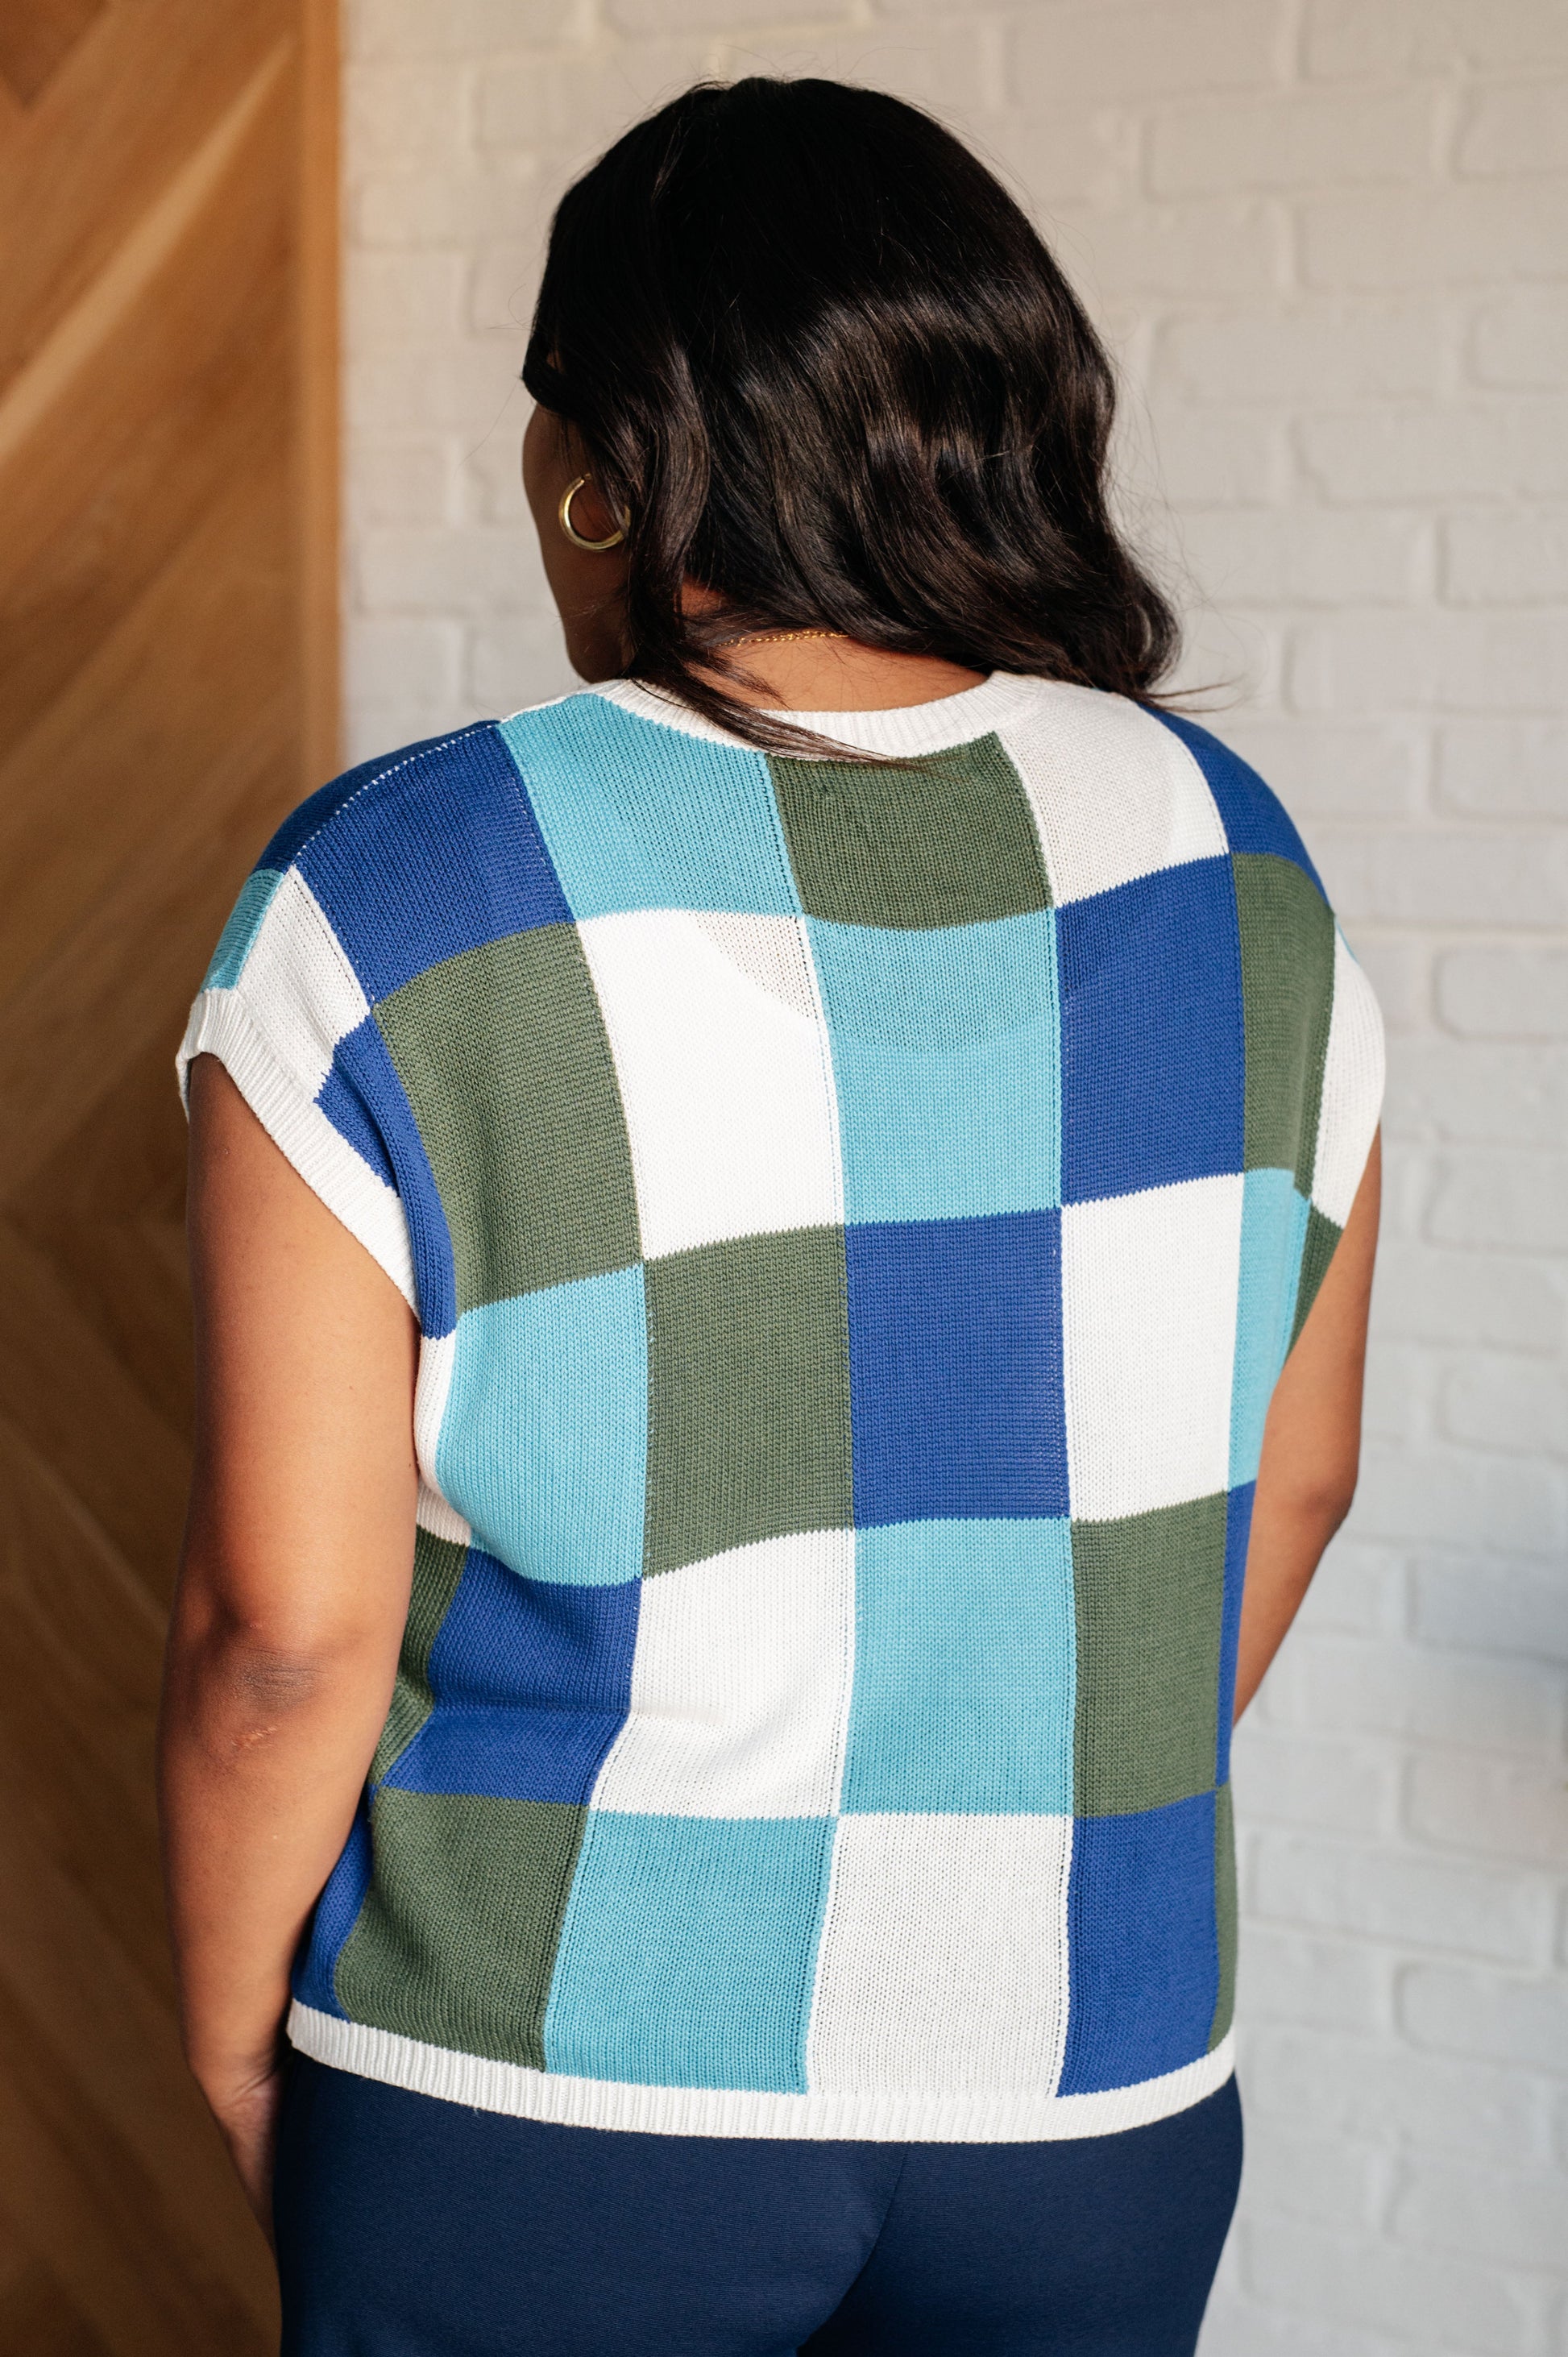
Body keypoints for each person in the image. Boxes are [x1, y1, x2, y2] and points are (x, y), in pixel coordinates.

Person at [160, 75, 1383, 2357]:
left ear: (600, 460)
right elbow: (1289, 1485)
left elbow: (284, 1636)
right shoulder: (1235, 857)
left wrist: (239, 2045)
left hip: (541, 2089)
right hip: (1090, 2090)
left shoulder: (396, 883)